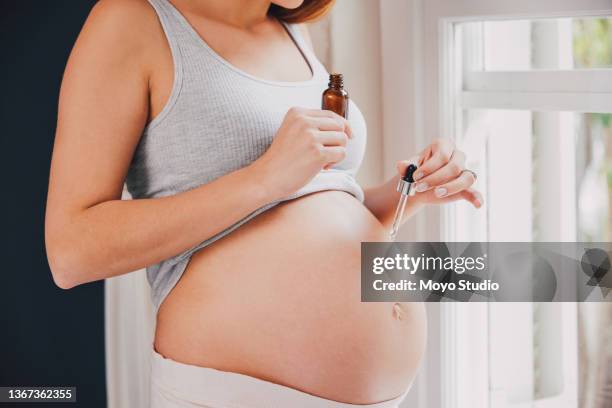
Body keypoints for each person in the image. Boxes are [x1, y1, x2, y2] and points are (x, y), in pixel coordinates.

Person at [45, 0, 482, 406]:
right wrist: (263, 178)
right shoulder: (132, 19)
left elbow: (305, 208)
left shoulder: (292, 32)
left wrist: (407, 191)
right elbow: (71, 253)